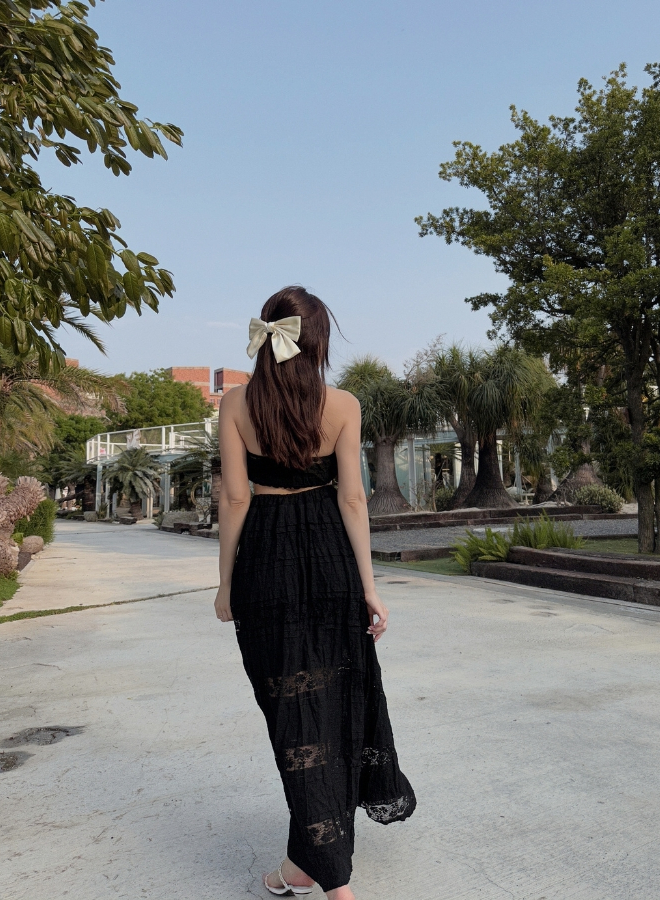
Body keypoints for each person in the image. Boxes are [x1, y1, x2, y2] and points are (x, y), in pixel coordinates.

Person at [214, 286, 416, 899]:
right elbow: (352, 498)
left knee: (290, 715)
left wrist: (226, 583)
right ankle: (312, 864)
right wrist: (370, 588)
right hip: (330, 557)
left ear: (267, 334)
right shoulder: (344, 404)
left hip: (266, 561)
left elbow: (236, 498)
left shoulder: (235, 403)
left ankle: (329, 879)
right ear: (319, 341)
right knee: (337, 702)